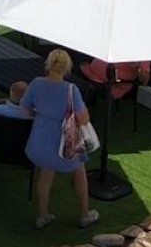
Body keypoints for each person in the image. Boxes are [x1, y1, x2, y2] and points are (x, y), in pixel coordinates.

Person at [21, 48, 99, 230]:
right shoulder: (71, 90)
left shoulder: (36, 83)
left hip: (41, 139)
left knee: (44, 176)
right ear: (67, 68)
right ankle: (85, 214)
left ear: (48, 64)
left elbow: (24, 109)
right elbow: (84, 119)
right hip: (67, 143)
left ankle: (42, 215)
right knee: (80, 174)